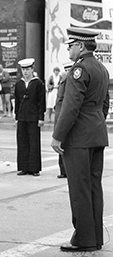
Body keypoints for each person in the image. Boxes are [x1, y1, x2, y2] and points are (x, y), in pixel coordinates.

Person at [51, 28, 110, 252]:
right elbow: (104, 104)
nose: (68, 49)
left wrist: (58, 136)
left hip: (78, 138)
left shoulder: (79, 69)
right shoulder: (101, 68)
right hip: (96, 134)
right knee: (94, 187)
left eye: (71, 45)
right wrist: (93, 123)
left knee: (79, 188)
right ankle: (94, 237)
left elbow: (71, 106)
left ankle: (83, 239)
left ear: (81, 46)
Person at [15, 58, 46, 176]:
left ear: (32, 69)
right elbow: (17, 101)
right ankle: (23, 167)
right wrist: (16, 116)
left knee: (34, 142)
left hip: (34, 117)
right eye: (23, 70)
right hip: (22, 116)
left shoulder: (38, 83)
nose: (25, 72)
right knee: (22, 142)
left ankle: (34, 168)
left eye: (28, 69)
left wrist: (41, 117)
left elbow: (41, 101)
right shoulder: (19, 84)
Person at [56, 62, 73, 179]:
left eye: (69, 70)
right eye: (66, 70)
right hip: (60, 116)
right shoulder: (62, 81)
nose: (66, 73)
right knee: (61, 144)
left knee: (67, 144)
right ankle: (63, 170)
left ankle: (67, 170)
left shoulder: (71, 82)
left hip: (66, 116)